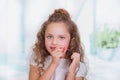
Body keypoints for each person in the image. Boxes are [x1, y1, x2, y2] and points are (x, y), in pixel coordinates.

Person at [29, 8, 87, 80]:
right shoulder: (38, 59)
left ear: (71, 40)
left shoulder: (78, 66)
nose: (54, 42)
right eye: (49, 36)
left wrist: (72, 71)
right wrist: (54, 64)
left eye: (61, 37)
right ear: (43, 37)